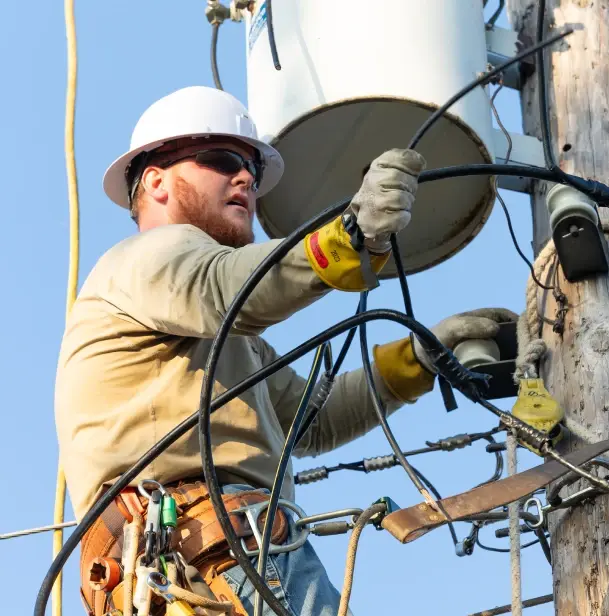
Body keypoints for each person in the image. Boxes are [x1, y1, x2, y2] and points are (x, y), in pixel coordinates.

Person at [54, 85, 517, 616]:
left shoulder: (220, 339)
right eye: (222, 159)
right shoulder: (145, 260)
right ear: (155, 180)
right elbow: (227, 286)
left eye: (251, 166)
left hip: (208, 560)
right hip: (212, 553)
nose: (246, 178)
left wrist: (416, 360)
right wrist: (344, 239)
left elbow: (311, 418)